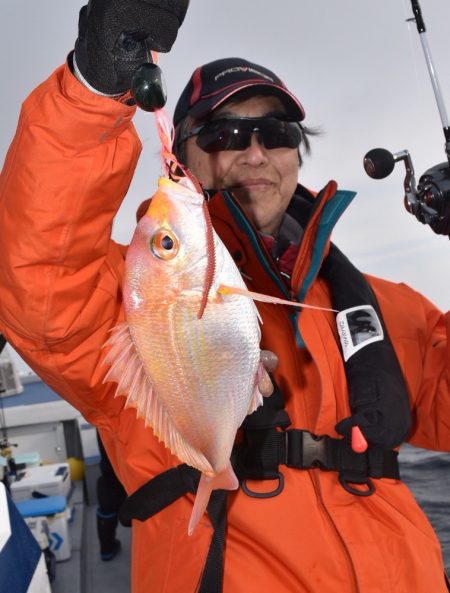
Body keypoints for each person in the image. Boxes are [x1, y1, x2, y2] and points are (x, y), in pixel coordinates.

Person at [0, 2, 449, 592]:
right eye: (224, 134)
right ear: (181, 157)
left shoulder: (388, 309)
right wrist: (94, 88)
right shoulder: (133, 296)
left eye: (277, 133)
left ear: (296, 152)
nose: (254, 152)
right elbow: (39, 276)